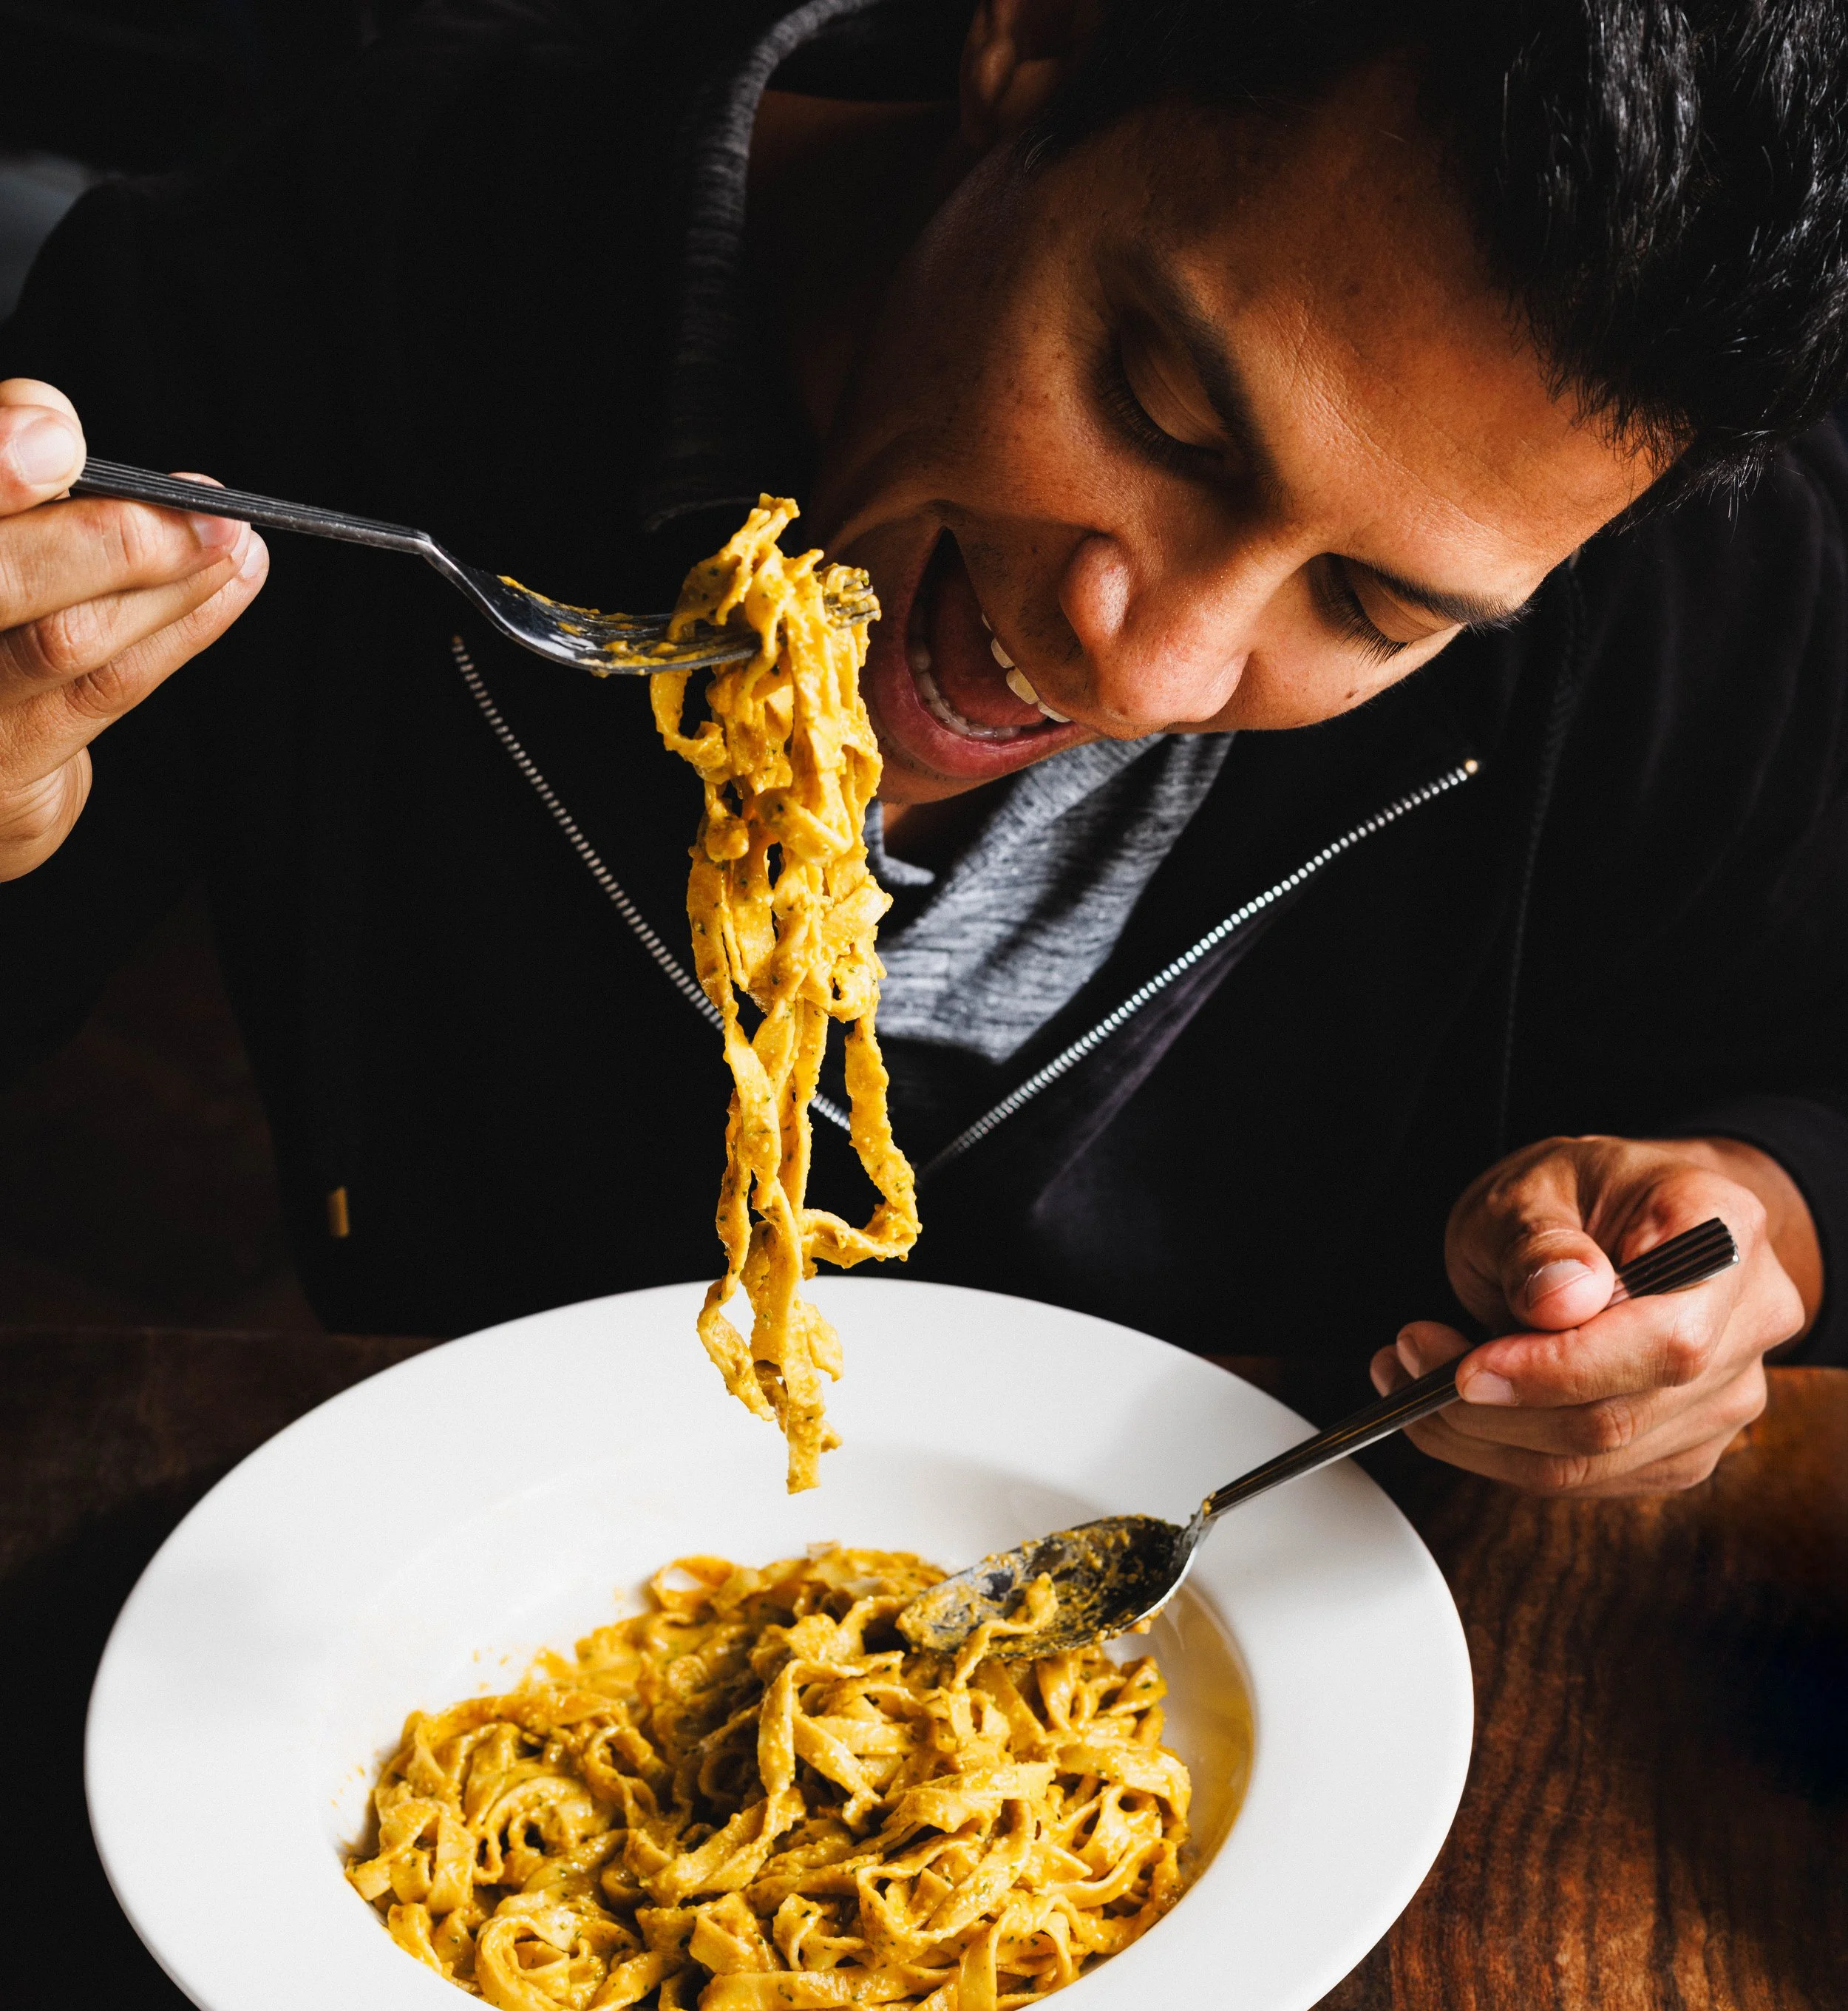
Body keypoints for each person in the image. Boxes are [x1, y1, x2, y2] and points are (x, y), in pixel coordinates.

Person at [0, 0, 1845, 1499]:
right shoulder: (327, 286)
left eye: (1369, 606)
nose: (1151, 661)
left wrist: (1739, 1225)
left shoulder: (1677, 566)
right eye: (1169, 413)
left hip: (1256, 1640)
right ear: (1035, 41)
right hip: (459, 1546)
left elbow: (1793, 1080)